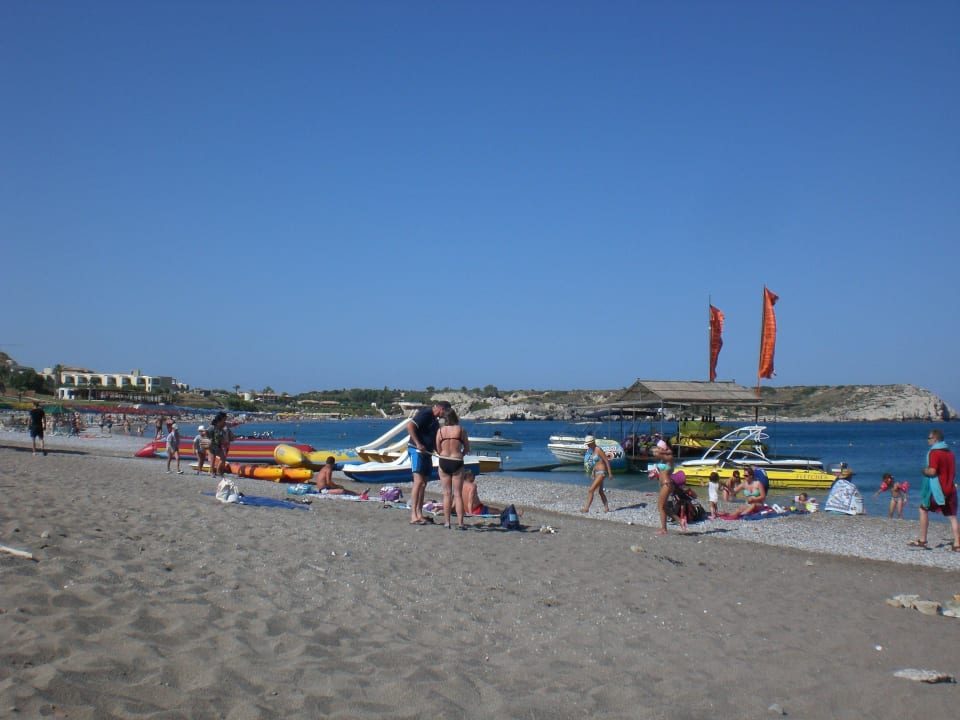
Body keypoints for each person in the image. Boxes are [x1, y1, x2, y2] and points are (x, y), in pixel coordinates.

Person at [909, 429, 959, 551]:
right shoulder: (950, 453)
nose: (928, 440)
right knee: (951, 516)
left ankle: (923, 539)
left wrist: (924, 471)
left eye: (929, 438)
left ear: (935, 439)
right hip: (950, 488)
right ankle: (957, 543)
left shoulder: (935, 453)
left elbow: (932, 471)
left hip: (938, 490)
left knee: (923, 509)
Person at [405, 401, 451, 525]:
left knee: (424, 483)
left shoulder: (435, 422)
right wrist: (418, 443)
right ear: (441, 408)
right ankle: (413, 515)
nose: (443, 415)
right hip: (416, 450)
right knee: (418, 482)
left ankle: (419, 513)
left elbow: (435, 439)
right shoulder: (426, 413)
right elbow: (410, 426)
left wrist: (441, 453)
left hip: (427, 452)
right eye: (444, 412)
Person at [435, 407, 470, 529]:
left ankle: (447, 522)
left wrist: (444, 454)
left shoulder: (440, 431)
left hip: (444, 460)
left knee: (446, 494)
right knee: (458, 494)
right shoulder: (461, 430)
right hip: (457, 460)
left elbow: (438, 449)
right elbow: (466, 447)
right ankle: (460, 523)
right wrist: (461, 455)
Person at [581, 435, 612, 514]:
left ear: (592, 443)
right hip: (597, 472)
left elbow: (606, 460)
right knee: (600, 491)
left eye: (589, 443)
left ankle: (586, 508)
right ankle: (606, 508)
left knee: (591, 490)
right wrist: (593, 472)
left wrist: (610, 473)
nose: (588, 445)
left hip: (602, 472)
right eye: (587, 444)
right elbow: (595, 463)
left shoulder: (598, 449)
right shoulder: (592, 450)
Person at [654, 439, 675, 534]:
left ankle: (664, 529)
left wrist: (663, 450)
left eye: (659, 447)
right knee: (663, 507)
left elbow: (655, 453)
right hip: (664, 484)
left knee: (661, 506)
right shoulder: (664, 459)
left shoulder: (669, 458)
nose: (658, 449)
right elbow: (655, 452)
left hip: (667, 484)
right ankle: (680, 520)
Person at [207, 413, 229, 479]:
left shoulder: (221, 425)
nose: (225, 420)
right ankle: (212, 473)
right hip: (212, 444)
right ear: (220, 420)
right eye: (224, 419)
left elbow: (222, 433)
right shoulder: (212, 427)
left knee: (223, 458)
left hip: (218, 445)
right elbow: (208, 435)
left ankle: (218, 471)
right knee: (213, 459)